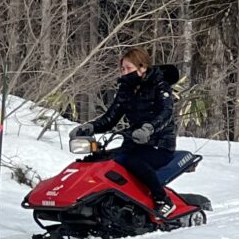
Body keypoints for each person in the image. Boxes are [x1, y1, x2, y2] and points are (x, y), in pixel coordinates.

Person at [73, 47, 180, 217]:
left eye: (128, 68)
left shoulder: (160, 85)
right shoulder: (126, 89)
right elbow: (111, 116)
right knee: (103, 160)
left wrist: (149, 129)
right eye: (122, 69)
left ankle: (162, 199)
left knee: (133, 162)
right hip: (134, 142)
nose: (124, 72)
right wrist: (91, 127)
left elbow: (166, 112)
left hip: (159, 144)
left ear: (142, 67)